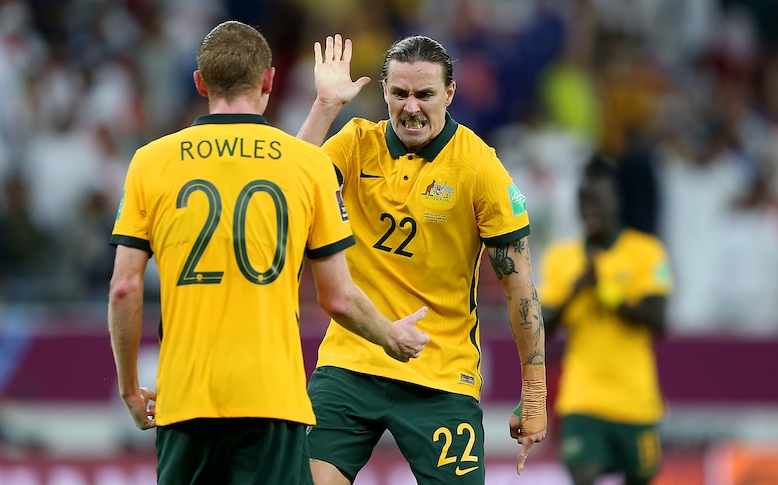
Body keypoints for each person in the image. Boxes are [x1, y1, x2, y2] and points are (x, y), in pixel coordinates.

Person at [107, 21, 430, 485]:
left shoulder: (150, 162)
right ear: (268, 81)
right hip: (272, 402)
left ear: (200, 82)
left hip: (184, 399)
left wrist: (128, 389)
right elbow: (337, 297)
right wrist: (390, 336)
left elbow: (124, 288)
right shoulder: (307, 166)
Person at [296, 34, 548, 483]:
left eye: (425, 94)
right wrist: (325, 105)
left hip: (441, 374)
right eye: (399, 94)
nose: (411, 107)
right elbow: (288, 187)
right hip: (353, 363)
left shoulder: (478, 167)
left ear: (450, 94)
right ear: (385, 93)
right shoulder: (355, 144)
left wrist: (534, 393)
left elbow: (520, 287)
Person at [539, 155, 672, 485]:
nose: (589, 208)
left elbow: (659, 320)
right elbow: (540, 329)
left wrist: (606, 293)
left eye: (597, 199)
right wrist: (574, 293)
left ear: (617, 200)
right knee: (583, 476)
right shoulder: (562, 258)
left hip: (636, 402)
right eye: (583, 200)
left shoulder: (647, 251)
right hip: (583, 400)